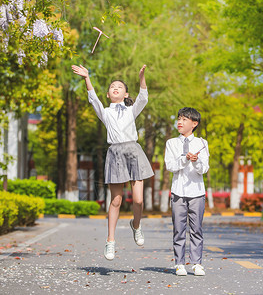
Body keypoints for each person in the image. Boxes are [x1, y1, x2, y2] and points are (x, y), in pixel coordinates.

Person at [71, 64, 154, 261]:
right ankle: (110, 241)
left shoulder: (131, 110)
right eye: (111, 87)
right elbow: (93, 100)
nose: (115, 88)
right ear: (108, 95)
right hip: (115, 153)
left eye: (119, 87)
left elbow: (143, 97)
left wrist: (142, 77)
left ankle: (136, 225)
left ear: (126, 94)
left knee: (138, 200)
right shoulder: (106, 113)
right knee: (116, 200)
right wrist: (86, 78)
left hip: (133, 151)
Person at [164, 107, 209, 276]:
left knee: (196, 229)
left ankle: (197, 263)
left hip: (197, 192)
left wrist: (196, 162)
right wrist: (184, 159)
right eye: (179, 119)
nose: (179, 122)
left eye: (184, 119)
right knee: (179, 228)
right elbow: (170, 166)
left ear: (194, 123)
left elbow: (204, 169)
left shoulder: (202, 144)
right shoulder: (171, 143)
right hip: (178, 191)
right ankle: (179, 263)